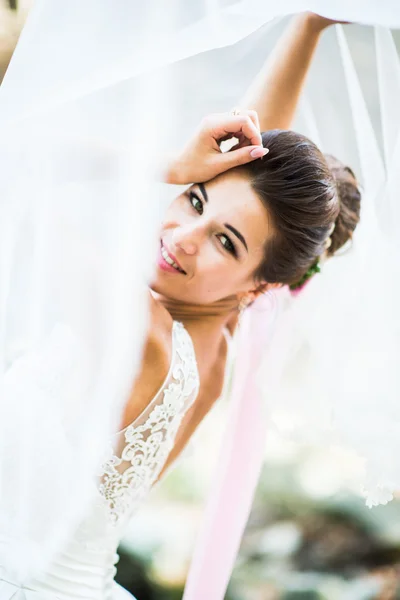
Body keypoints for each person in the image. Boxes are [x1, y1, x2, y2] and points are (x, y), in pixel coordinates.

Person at [0, 11, 362, 600]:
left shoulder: (137, 330)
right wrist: (308, 25)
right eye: (193, 199)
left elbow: (23, 153)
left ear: (259, 288)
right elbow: (249, 184)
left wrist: (170, 166)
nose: (184, 236)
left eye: (224, 241)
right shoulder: (214, 348)